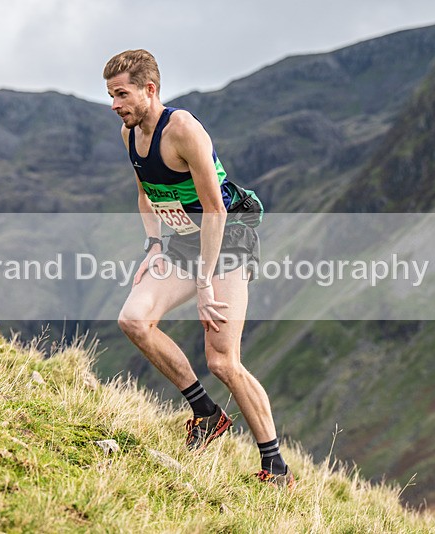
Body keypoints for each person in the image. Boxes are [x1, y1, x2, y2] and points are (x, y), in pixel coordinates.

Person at [103, 49, 294, 488]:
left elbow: (214, 210)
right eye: (111, 95)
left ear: (150, 90)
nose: (115, 104)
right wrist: (153, 245)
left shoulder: (184, 130)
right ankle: (206, 414)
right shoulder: (129, 134)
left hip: (226, 238)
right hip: (185, 242)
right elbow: (145, 193)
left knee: (223, 361)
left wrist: (206, 282)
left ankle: (276, 469)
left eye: (122, 94)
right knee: (134, 320)